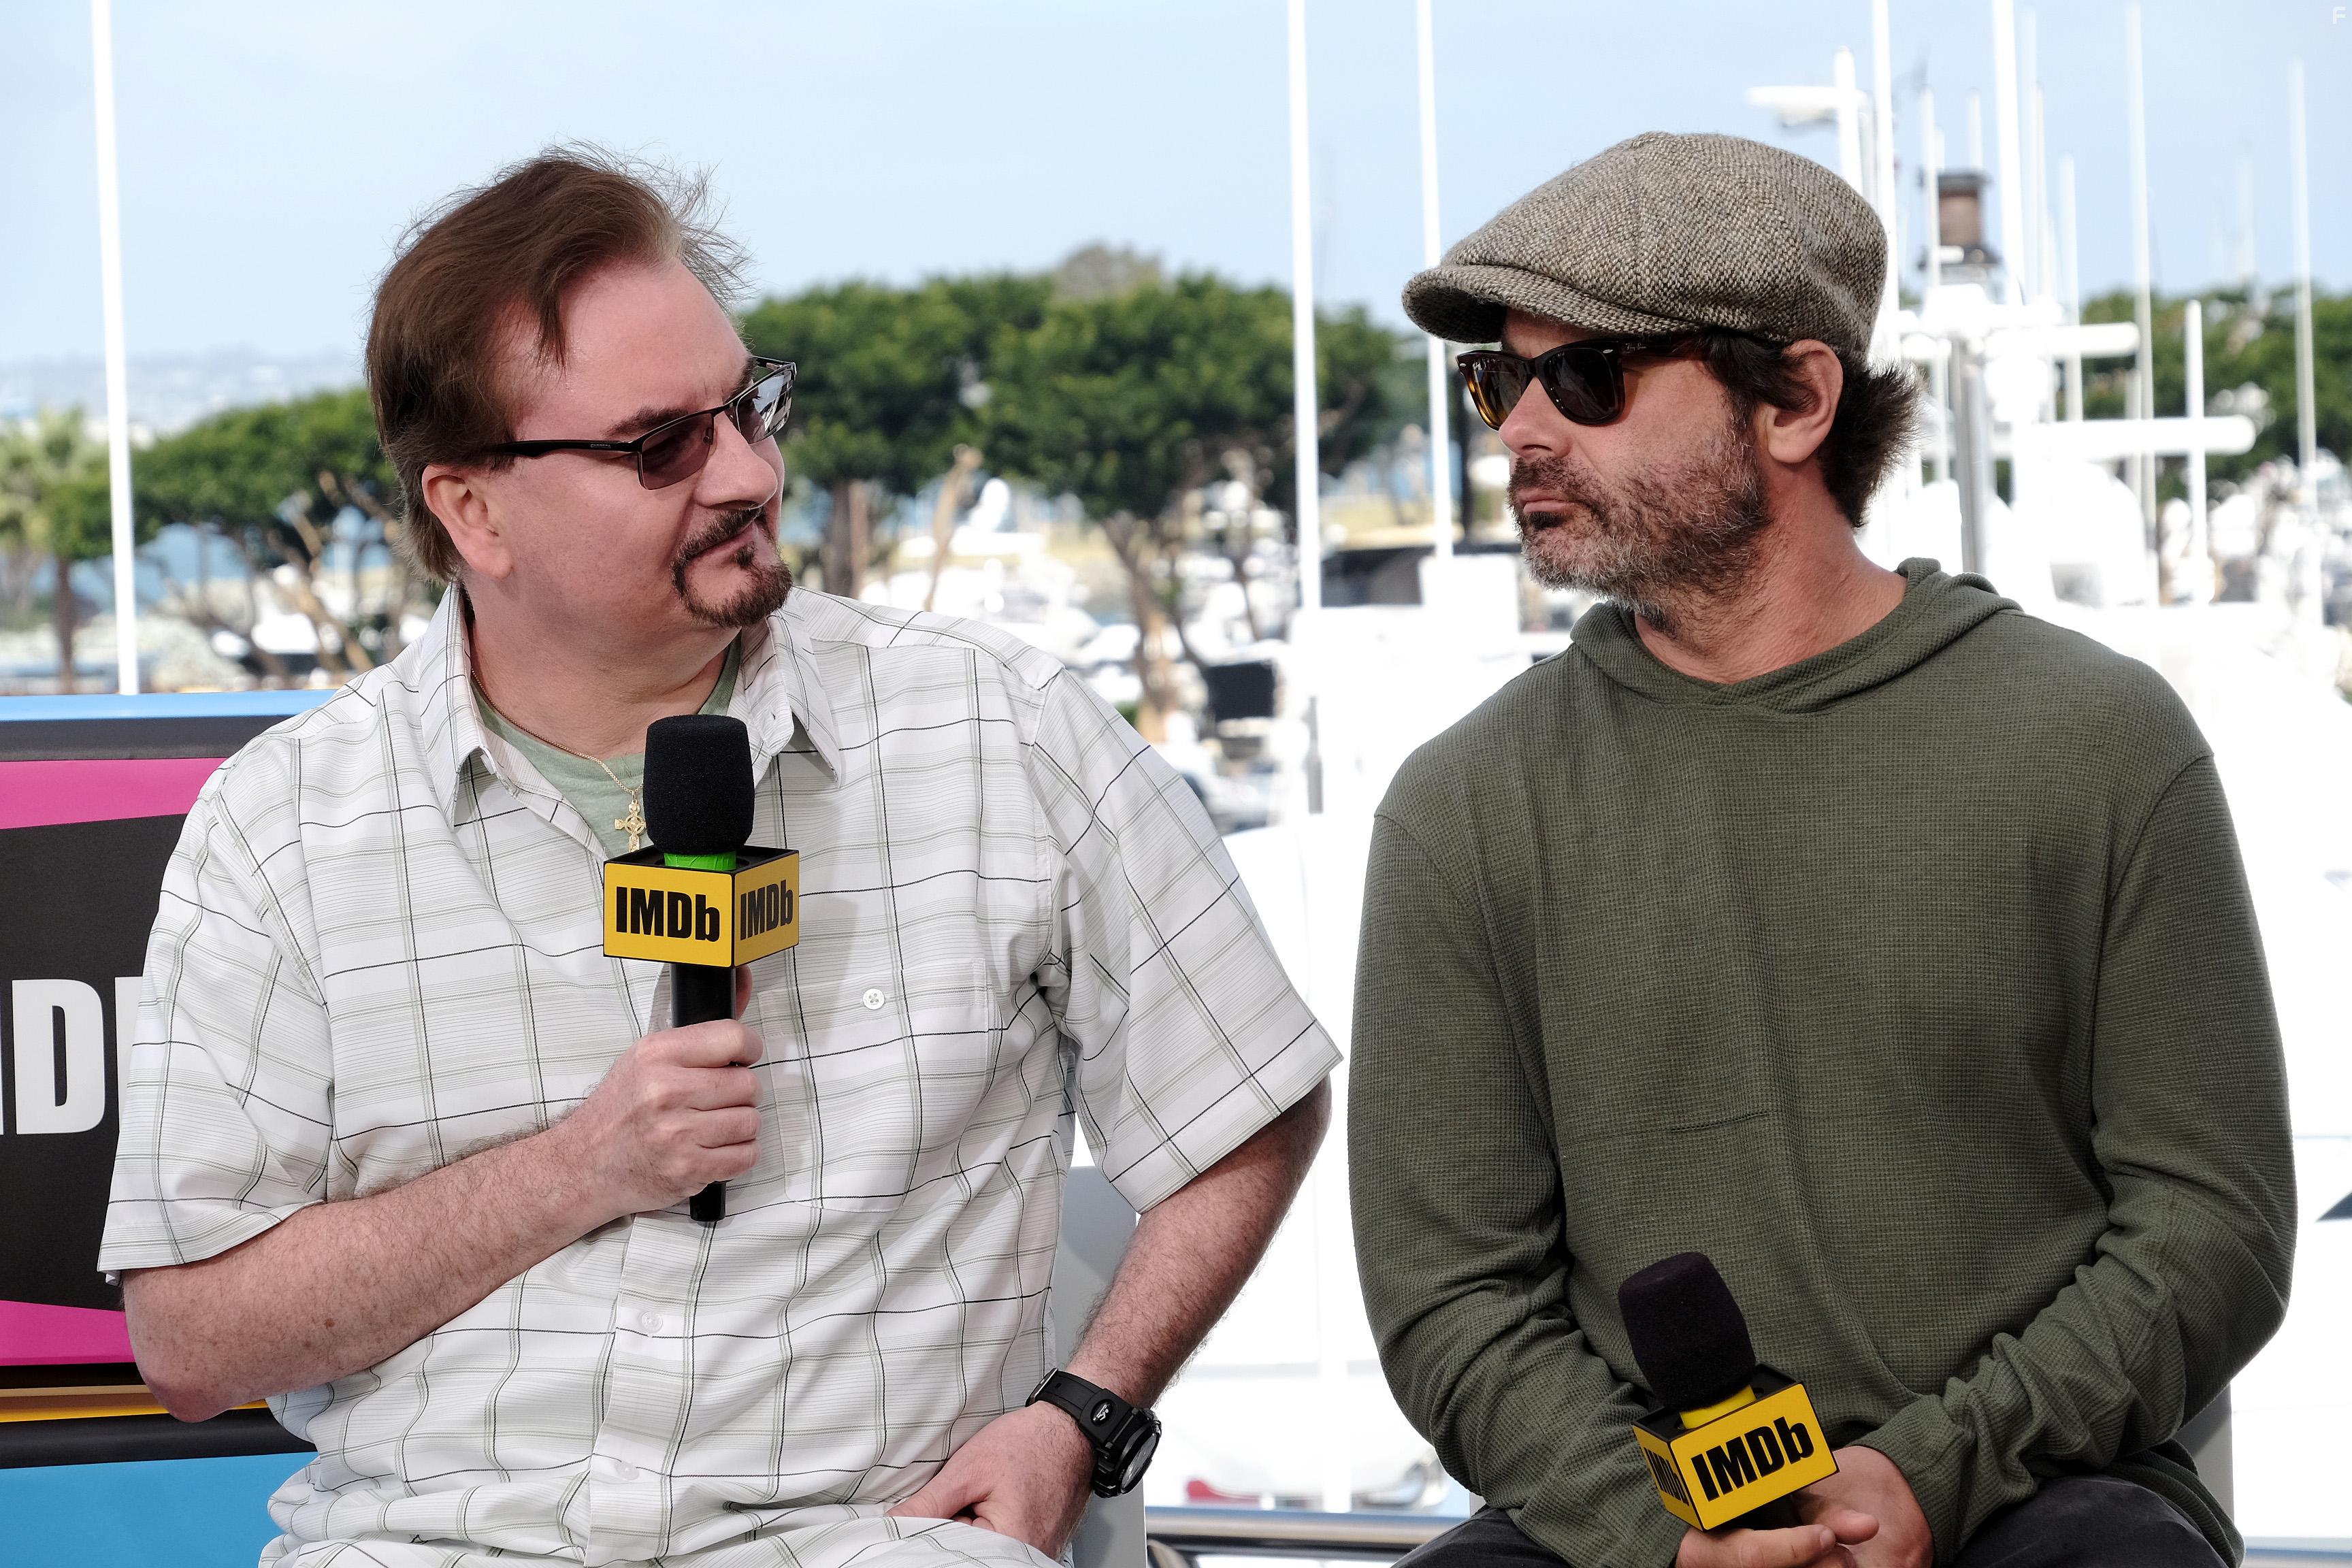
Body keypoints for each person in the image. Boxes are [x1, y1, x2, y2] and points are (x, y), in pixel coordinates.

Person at [101, 148, 1337, 1568]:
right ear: (473, 512)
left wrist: (1085, 1418)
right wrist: (581, 1167)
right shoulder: (280, 826)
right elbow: (191, 1340)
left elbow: (1246, 1104)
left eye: (747, 408)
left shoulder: (1002, 727)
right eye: (659, 446)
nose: (751, 474)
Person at [1348, 132, 2293, 1568]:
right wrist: (1656, 1535)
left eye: (1589, 378)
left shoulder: (2096, 740)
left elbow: (2211, 1223)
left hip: (2033, 1491)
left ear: (1793, 399)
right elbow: (1454, 1297)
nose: (1521, 432)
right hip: (1645, 1520)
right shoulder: (1462, 806)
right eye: (1496, 380)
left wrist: (1932, 1469)